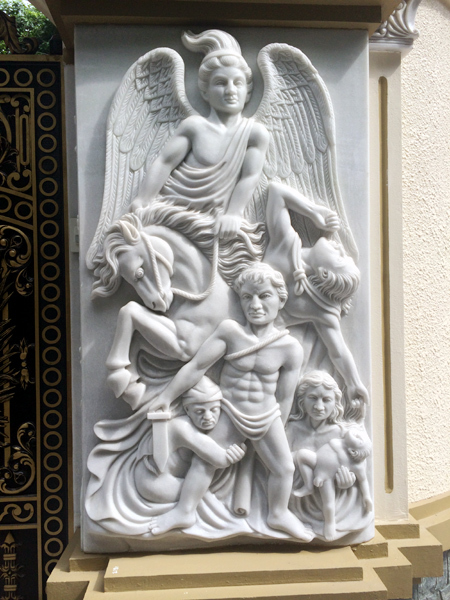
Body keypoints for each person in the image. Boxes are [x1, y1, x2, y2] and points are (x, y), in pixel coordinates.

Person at [147, 263, 313, 541]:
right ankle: (184, 511)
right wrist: (165, 397)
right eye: (247, 297)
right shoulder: (230, 332)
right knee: (204, 461)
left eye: (264, 296)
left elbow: (284, 397)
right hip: (230, 412)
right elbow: (197, 367)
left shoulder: (290, 348)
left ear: (281, 299)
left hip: (266, 416)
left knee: (284, 468)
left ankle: (278, 513)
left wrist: (277, 432)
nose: (255, 305)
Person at [130, 29, 269, 281]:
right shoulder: (194, 127)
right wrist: (143, 199)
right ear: (205, 91)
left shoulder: (254, 133)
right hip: (176, 204)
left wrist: (234, 213)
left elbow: (249, 177)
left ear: (247, 91)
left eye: (237, 83)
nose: (230, 90)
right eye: (220, 83)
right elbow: (165, 162)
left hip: (216, 218)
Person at [263, 181, 369, 410]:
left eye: (340, 259)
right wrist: (315, 212)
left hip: (262, 343)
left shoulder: (286, 247)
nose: (341, 248)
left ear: (324, 273)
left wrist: (354, 383)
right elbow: (276, 191)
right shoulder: (288, 246)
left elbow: (338, 351)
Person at [135, 377, 246, 503]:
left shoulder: (193, 426)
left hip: (168, 479)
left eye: (214, 410)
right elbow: (219, 459)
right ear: (187, 410)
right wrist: (235, 453)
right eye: (199, 411)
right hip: (155, 484)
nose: (208, 417)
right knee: (206, 499)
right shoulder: (181, 427)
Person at [293, 426, 372, 541]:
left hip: (327, 478)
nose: (359, 436)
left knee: (329, 503)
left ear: (353, 451)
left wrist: (367, 497)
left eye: (360, 441)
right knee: (301, 455)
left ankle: (329, 523)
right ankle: (308, 485)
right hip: (316, 461)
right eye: (361, 437)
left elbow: (363, 480)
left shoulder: (356, 465)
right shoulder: (342, 439)